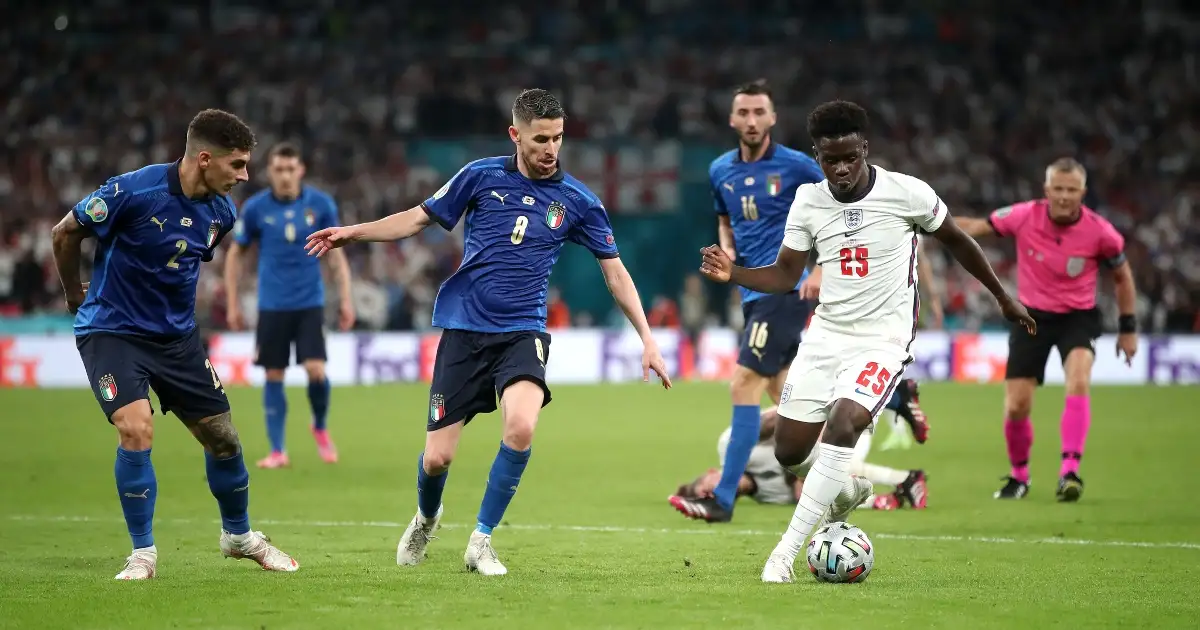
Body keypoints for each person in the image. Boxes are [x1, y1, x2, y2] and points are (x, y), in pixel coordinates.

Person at [305, 89, 673, 576]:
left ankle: (481, 540)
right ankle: (427, 516)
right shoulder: (480, 176)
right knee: (437, 459)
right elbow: (417, 219)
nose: (550, 149)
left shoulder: (579, 201)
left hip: (523, 331)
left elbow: (615, 272)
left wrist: (647, 338)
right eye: (540, 138)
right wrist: (353, 232)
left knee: (521, 427)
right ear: (515, 134)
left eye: (558, 139)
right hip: (464, 331)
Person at [697, 100, 1035, 583]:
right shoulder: (810, 201)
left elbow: (959, 239)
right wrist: (735, 274)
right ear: (817, 156)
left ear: (865, 149)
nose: (841, 168)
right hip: (826, 335)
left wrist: (1003, 297)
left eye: (849, 157)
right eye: (830, 159)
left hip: (883, 339)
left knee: (845, 423)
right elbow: (787, 273)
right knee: (789, 450)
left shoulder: (907, 193)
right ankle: (844, 489)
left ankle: (783, 555)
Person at [49, 109, 298, 580]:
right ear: (205, 159)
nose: (245, 176)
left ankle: (239, 537)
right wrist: (73, 294)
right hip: (113, 331)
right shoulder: (131, 192)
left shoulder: (223, 213)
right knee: (136, 428)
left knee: (223, 439)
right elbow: (64, 233)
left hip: (177, 340)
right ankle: (143, 553)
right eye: (237, 165)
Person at [668, 80, 826, 523]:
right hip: (751, 292)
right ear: (733, 119)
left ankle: (722, 499)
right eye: (745, 112)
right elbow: (725, 218)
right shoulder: (721, 170)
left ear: (773, 117)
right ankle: (844, 485)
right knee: (790, 397)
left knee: (742, 385)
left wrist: (822, 267)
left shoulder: (797, 167)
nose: (752, 120)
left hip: (784, 290)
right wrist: (729, 250)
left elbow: (837, 210)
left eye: (761, 112)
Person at [955, 158, 1139, 502]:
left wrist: (1128, 329)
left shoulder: (1102, 233)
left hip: (1078, 318)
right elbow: (977, 227)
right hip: (1031, 317)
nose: (1065, 196)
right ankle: (1019, 477)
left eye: (1072, 190)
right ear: (1047, 190)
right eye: (1059, 189)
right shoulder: (1025, 215)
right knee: (1016, 406)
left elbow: (1122, 276)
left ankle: (1069, 471)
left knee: (1079, 379)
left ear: (1083, 192)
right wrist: (930, 224)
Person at [224, 142, 355, 468]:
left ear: (301, 170)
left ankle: (320, 426)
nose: (284, 176)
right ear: (270, 172)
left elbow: (336, 253)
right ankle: (278, 450)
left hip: (309, 301)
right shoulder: (255, 209)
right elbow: (235, 254)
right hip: (272, 304)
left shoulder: (320, 204)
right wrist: (232, 302)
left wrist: (346, 298)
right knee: (273, 374)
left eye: (290, 169)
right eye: (278, 169)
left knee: (316, 370)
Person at [799, 236, 941, 450]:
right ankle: (896, 399)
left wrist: (933, 298)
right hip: (847, 301)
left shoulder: (904, 216)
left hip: (881, 308)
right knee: (826, 385)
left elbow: (930, 248)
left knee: (829, 407)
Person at [674, 405, 928, 511]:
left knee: (827, 460)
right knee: (824, 478)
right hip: (838, 441)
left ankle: (906, 477)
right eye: (713, 496)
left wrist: (801, 451)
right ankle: (893, 491)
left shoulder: (730, 447)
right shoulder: (767, 498)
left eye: (711, 486)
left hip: (832, 415)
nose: (718, 489)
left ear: (711, 472)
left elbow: (776, 418)